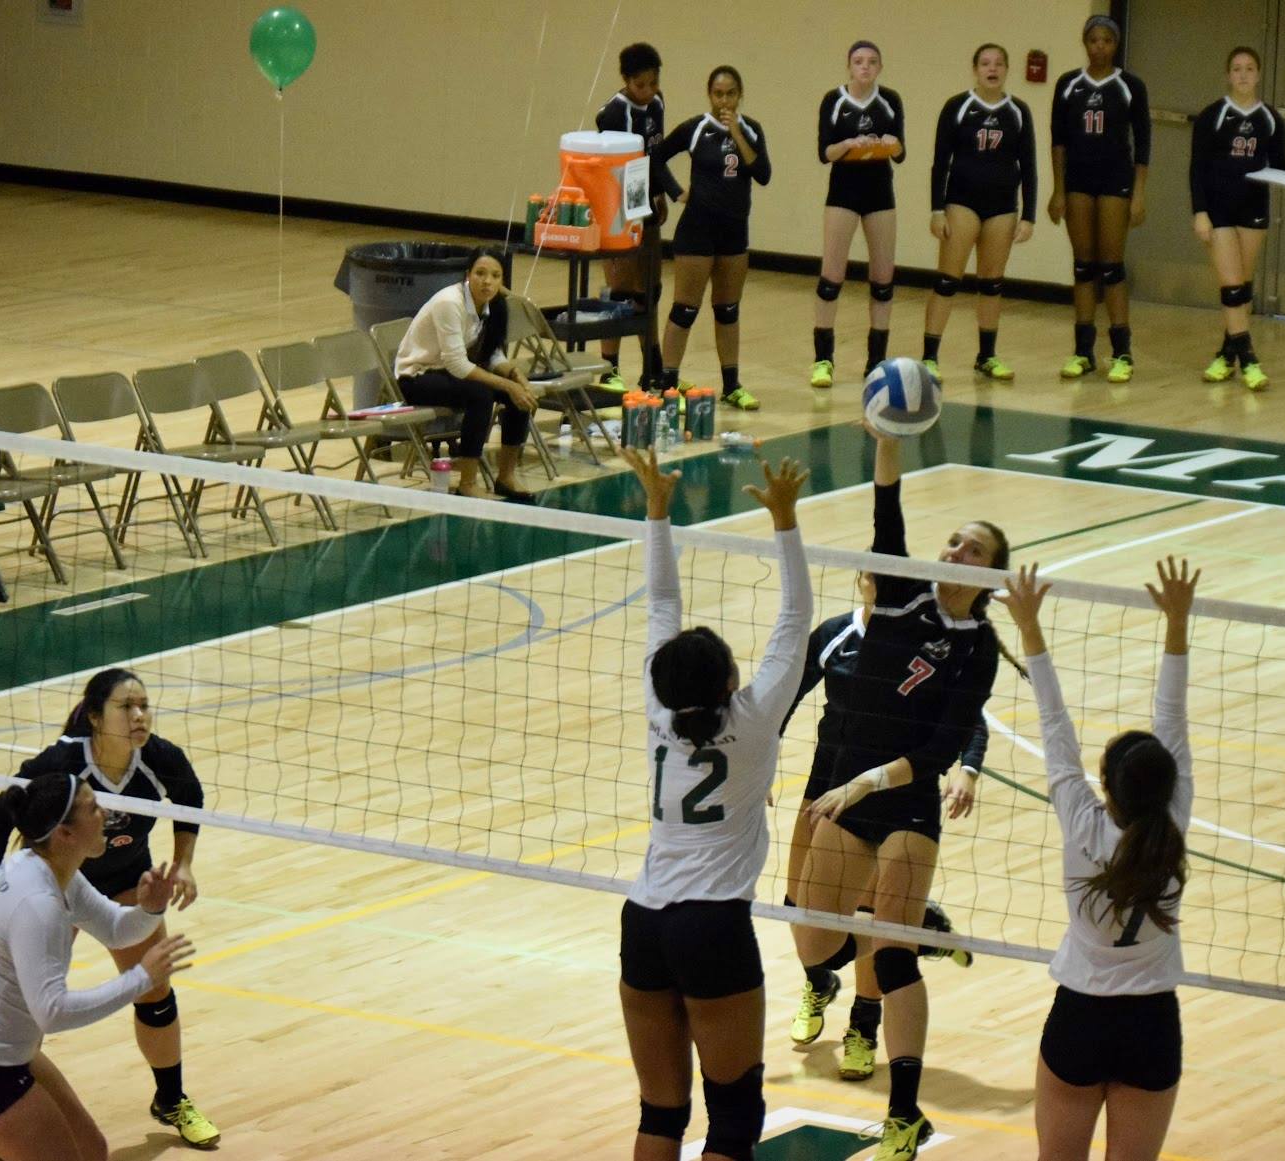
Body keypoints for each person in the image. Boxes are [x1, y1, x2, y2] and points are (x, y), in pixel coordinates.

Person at [790, 426, 1022, 1161]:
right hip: (848, 794)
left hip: (903, 800)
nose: (954, 552)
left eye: (972, 549)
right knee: (815, 938)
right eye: (952, 541)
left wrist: (867, 781)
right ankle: (913, 911)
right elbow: (884, 507)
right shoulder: (897, 595)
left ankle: (904, 1114)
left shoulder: (978, 648)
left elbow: (939, 749)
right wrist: (888, 440)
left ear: (990, 576)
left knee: (891, 959)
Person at [618, 445, 812, 1161]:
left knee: (661, 1112)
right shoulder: (755, 716)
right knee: (732, 1119)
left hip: (643, 920)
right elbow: (795, 615)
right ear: (731, 678)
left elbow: (660, 604)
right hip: (711, 926)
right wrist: (784, 520)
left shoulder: (657, 710)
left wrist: (657, 508)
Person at [995, 557, 1196, 1161]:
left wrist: (1029, 627)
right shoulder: (1174, 825)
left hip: (1081, 1017)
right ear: (1166, 786)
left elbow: (1054, 725)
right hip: (1152, 1023)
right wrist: (1177, 624)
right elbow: (1173, 717)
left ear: (1104, 786)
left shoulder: (1082, 823)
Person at [0, 669, 219, 1152]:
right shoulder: (63, 761)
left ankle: (170, 1100)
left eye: (144, 705)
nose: (139, 715)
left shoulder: (160, 758)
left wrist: (185, 865)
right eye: (126, 707)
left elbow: (191, 799)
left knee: (156, 991)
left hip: (130, 882)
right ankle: (11, 1116)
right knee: (24, 1011)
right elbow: (5, 811)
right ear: (94, 716)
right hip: (59, 885)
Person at [779, 571, 983, 1083]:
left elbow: (967, 717)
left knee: (868, 915)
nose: (878, 583)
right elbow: (784, 697)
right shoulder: (834, 634)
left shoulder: (918, 644)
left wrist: (968, 767)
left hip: (888, 789)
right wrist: (761, 756)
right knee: (801, 910)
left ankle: (864, 1027)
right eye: (871, 575)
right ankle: (820, 979)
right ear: (858, 579)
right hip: (826, 780)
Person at [0, 772, 196, 1161]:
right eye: (93, 808)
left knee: (91, 1149)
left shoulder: (49, 868)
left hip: (3, 1050)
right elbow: (53, 1012)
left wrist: (149, 908)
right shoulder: (37, 904)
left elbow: (116, 929)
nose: (107, 813)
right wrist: (141, 978)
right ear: (65, 833)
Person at [1188, 46, 1285, 391]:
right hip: (1218, 211)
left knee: (1242, 290)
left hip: (1253, 209)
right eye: (1236, 68)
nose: (1243, 74)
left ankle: (1225, 354)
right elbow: (1197, 169)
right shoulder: (1212, 115)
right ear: (1228, 75)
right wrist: (1199, 211)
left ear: (1258, 75)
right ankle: (1249, 359)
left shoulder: (1270, 118)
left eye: (1249, 68)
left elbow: (1279, 163)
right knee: (1230, 286)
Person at [653, 66, 771, 411]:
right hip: (697, 229)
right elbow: (658, 156)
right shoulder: (696, 128)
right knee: (685, 308)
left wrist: (737, 130)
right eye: (718, 93)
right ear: (709, 94)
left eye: (730, 93)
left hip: (735, 230)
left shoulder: (751, 130)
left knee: (728, 309)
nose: (724, 100)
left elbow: (763, 174)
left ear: (740, 95)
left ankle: (732, 385)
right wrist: (676, 192)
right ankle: (668, 383)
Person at [921, 43, 1037, 385]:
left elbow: (1028, 166)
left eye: (999, 63)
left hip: (1002, 206)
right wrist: (937, 209)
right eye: (986, 63)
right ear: (975, 69)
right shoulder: (958, 107)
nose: (992, 68)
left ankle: (987, 356)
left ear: (1006, 70)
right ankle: (929, 357)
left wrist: (1029, 214)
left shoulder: (1018, 111)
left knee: (992, 282)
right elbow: (940, 162)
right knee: (947, 280)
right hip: (962, 202)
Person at [1047, 16, 1151, 383]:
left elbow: (1143, 145)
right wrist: (1058, 189)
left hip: (1115, 180)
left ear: (1116, 44)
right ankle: (1082, 351)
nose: (1100, 46)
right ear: (1085, 42)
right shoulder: (1068, 85)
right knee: (1083, 266)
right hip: (1077, 180)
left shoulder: (1130, 85)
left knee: (1111, 266)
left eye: (1107, 40)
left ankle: (1122, 351)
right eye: (1093, 40)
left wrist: (1138, 193)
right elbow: (1057, 140)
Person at [393, 247, 539, 500]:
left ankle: (506, 477)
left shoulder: (494, 306)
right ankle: (467, 483)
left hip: (450, 375)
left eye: (495, 275)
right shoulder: (449, 303)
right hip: (417, 376)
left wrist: (515, 376)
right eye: (480, 273)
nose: (487, 281)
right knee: (480, 395)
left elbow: (491, 355)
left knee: (519, 397)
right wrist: (507, 385)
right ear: (467, 275)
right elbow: (457, 365)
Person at [810, 40, 905, 389]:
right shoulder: (833, 100)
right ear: (849, 67)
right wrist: (849, 144)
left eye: (872, 62)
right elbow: (825, 152)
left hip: (880, 193)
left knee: (882, 280)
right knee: (831, 276)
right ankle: (823, 360)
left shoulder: (890, 100)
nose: (865, 67)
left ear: (880, 67)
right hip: (843, 193)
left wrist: (890, 144)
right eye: (858, 61)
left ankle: (876, 361)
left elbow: (900, 151)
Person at [596, 42, 679, 394]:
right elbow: (612, 170)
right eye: (641, 85)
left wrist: (659, 193)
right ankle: (609, 368)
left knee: (651, 287)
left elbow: (654, 156)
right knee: (620, 289)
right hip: (616, 204)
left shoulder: (657, 104)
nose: (648, 91)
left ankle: (652, 366)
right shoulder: (613, 114)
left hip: (645, 201)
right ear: (627, 81)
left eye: (653, 83)